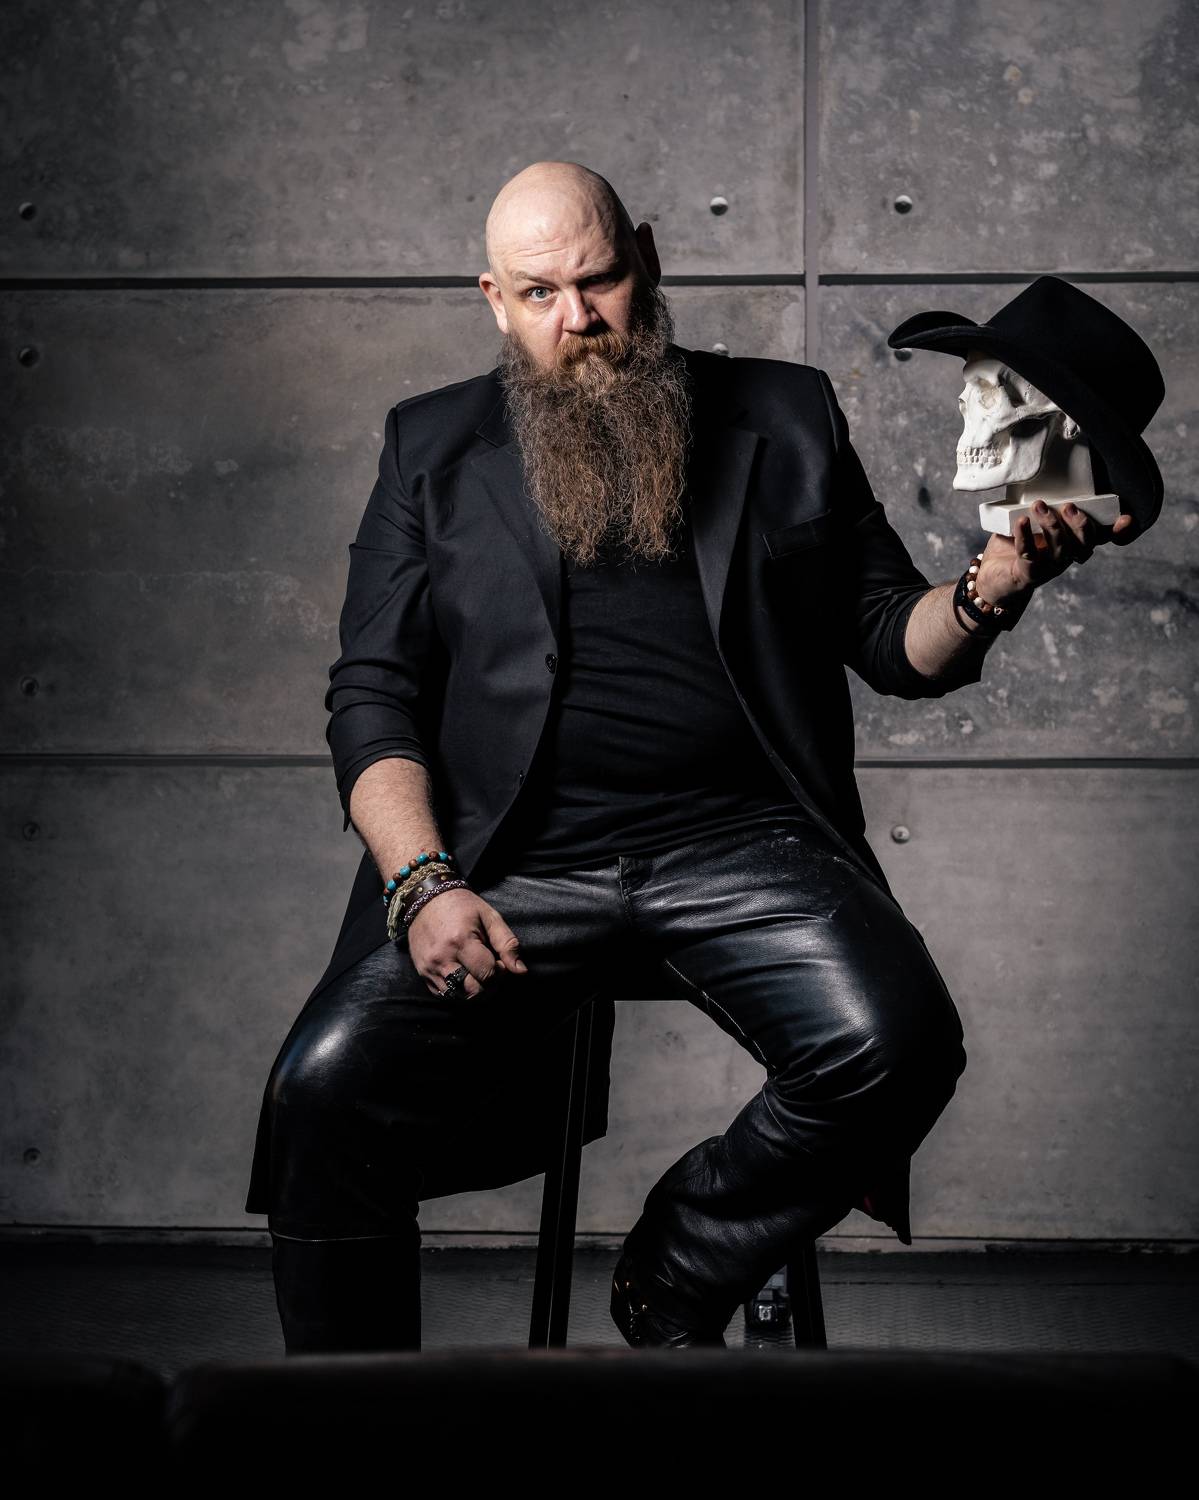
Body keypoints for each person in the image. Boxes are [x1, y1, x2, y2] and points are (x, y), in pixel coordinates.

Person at [246, 160, 1130, 1352]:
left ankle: (675, 1269)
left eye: (599, 279)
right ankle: (346, 1421)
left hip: (745, 846)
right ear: (495, 302)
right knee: (319, 1091)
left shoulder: (785, 413)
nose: (578, 319)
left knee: (899, 1044)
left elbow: (890, 642)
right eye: (539, 293)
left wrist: (990, 587)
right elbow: (373, 694)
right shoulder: (428, 445)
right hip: (508, 865)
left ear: (647, 260)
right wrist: (420, 879)